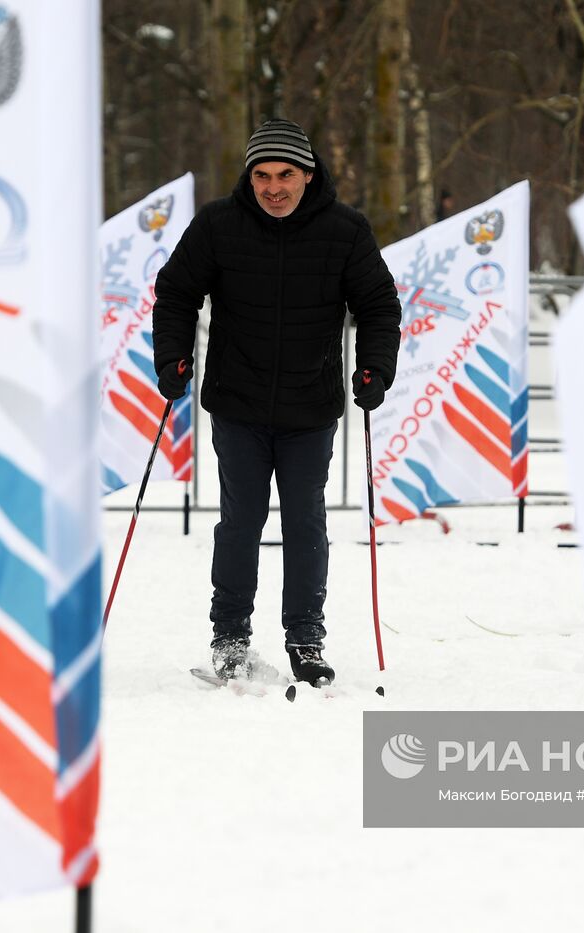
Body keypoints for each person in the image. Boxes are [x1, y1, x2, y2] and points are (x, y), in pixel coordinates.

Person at [152, 118, 401, 686]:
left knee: (306, 521)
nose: (273, 187)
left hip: (309, 407)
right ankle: (231, 637)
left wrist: (373, 367)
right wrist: (172, 358)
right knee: (241, 520)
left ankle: (306, 639)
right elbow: (176, 294)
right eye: (261, 175)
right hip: (237, 403)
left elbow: (380, 307)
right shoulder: (219, 225)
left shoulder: (346, 231)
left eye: (285, 174)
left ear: (308, 175)